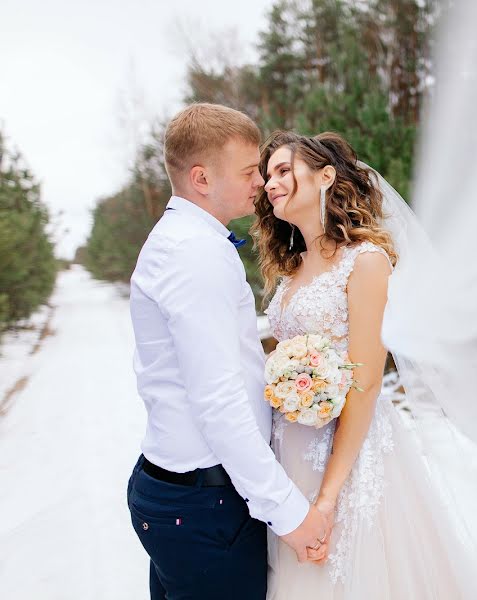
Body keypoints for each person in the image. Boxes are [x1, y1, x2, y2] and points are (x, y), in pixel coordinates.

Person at [255, 130, 477, 599]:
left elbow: (365, 384)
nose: (270, 184)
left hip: (350, 457)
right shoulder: (292, 266)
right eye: (266, 176)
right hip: (289, 448)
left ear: (325, 176)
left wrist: (327, 497)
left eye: (282, 171)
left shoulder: (366, 261)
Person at [127, 104, 328, 600]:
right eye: (246, 172)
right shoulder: (194, 254)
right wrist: (289, 513)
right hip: (204, 503)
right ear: (200, 178)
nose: (260, 181)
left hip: (184, 495)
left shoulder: (185, 241)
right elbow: (218, 401)